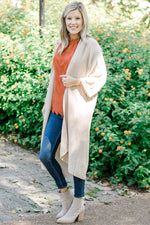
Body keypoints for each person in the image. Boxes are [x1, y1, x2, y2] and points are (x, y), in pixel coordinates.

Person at [39, 1, 107, 224]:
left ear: (83, 20)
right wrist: (47, 104)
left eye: (77, 18)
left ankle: (79, 203)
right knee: (46, 155)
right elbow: (54, 76)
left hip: (76, 111)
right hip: (56, 109)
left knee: (77, 156)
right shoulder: (60, 44)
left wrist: (78, 82)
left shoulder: (90, 45)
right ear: (64, 21)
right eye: (69, 18)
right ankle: (66, 196)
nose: (73, 22)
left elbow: (100, 76)